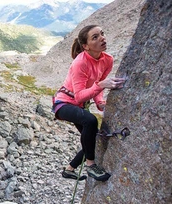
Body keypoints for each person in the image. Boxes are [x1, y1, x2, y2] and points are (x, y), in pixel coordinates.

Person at [52, 25, 125, 182]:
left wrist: (100, 102)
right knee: (90, 121)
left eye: (102, 34)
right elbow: (79, 96)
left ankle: (69, 169)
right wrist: (101, 86)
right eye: (95, 37)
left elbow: (98, 83)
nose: (102, 38)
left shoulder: (107, 60)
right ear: (85, 46)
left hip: (77, 105)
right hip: (63, 103)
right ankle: (91, 166)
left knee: (92, 137)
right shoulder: (80, 63)